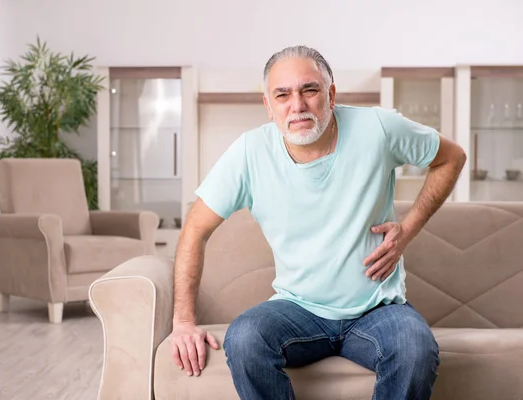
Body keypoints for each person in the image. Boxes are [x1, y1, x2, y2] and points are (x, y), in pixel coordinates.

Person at [169, 45, 466, 400]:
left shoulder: (377, 128)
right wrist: (183, 322)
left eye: (309, 90)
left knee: (415, 350)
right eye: (283, 95)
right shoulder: (249, 153)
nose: (298, 105)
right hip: (296, 309)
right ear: (268, 105)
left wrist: (408, 229)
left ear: (331, 94)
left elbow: (452, 157)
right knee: (245, 338)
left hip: (379, 310)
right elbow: (194, 230)